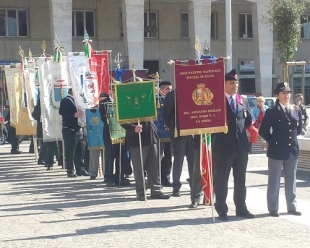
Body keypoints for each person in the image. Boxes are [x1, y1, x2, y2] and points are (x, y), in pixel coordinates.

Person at [212, 69, 255, 221]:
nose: (234, 85)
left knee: (240, 180)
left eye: (236, 83)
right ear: (223, 84)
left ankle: (241, 208)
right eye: (231, 83)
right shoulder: (216, 100)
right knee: (222, 180)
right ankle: (221, 209)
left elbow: (248, 120)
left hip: (241, 146)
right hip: (223, 147)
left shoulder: (242, 100)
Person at [259, 82, 302, 217]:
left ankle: (292, 206)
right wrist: (273, 141)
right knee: (274, 179)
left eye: (288, 92)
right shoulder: (271, 112)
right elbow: (263, 130)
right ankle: (273, 208)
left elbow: (298, 129)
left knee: (291, 179)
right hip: (276, 150)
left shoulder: (296, 109)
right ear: (277, 95)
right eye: (283, 93)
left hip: (292, 150)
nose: (287, 95)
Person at [122, 120, 170, 200]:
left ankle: (156, 190)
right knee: (139, 167)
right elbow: (121, 118)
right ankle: (141, 191)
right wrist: (132, 127)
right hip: (137, 137)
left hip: (151, 134)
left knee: (154, 165)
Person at [163, 89, 195, 197]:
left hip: (193, 131)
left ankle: (194, 186)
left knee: (193, 160)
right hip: (179, 131)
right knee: (178, 160)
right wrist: (174, 126)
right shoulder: (172, 95)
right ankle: (176, 186)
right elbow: (166, 114)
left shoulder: (193, 91)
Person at [99, 90, 131, 187]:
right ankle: (109, 178)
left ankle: (120, 177)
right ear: (111, 92)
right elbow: (104, 118)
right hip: (109, 133)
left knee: (121, 156)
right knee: (109, 156)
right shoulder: (104, 103)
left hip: (122, 132)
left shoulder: (124, 101)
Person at [59, 87, 89, 177]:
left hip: (79, 128)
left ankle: (80, 169)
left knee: (80, 151)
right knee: (70, 151)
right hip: (69, 129)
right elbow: (61, 112)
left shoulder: (78, 101)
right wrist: (73, 115)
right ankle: (70, 170)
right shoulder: (66, 100)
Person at [157, 81, 173, 187]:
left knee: (168, 156)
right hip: (158, 132)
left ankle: (166, 178)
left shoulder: (172, 99)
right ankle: (156, 179)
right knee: (157, 156)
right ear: (161, 89)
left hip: (170, 132)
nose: (170, 91)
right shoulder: (156, 99)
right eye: (168, 89)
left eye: (171, 89)